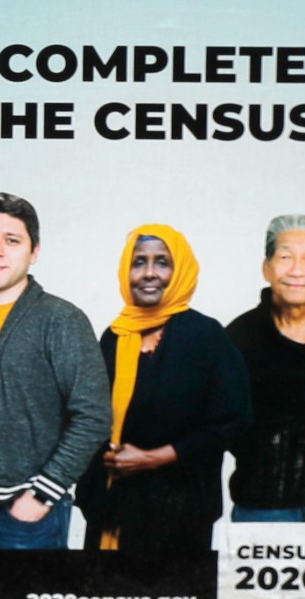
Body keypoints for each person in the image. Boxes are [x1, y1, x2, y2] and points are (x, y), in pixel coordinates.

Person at [0, 194, 111, 550]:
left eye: (11, 241)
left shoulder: (60, 320)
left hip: (26, 512)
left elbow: (94, 416)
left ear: (34, 252)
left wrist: (42, 495)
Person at [78, 226, 252, 552]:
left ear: (180, 270)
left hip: (181, 509)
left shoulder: (206, 337)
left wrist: (151, 459)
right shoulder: (114, 337)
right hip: (113, 506)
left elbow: (232, 423)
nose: (149, 274)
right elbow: (89, 417)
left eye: (162, 263)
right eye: (138, 262)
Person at [225, 217, 305, 544]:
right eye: (285, 257)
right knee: (258, 598)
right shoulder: (239, 336)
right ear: (266, 268)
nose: (297, 270)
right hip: (264, 504)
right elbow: (226, 421)